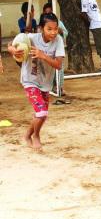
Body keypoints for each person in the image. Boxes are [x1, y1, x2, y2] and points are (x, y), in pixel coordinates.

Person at [7, 13, 65, 151]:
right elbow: (11, 45)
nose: (53, 32)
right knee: (42, 112)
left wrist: (43, 55)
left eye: (55, 28)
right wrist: (13, 51)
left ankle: (27, 135)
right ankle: (36, 136)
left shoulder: (58, 41)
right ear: (41, 28)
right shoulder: (31, 38)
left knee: (42, 115)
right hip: (30, 80)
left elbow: (58, 65)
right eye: (49, 29)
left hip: (45, 83)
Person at [40, 3, 69, 96]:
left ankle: (59, 87)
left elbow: (65, 32)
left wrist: (59, 30)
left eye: (50, 12)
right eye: (46, 13)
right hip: (45, 49)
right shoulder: (42, 23)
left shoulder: (58, 23)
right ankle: (46, 87)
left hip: (56, 49)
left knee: (59, 68)